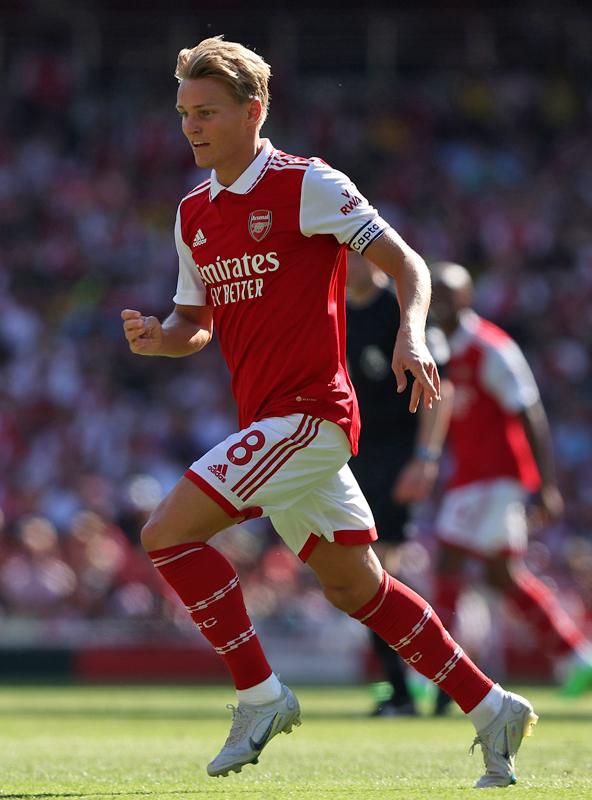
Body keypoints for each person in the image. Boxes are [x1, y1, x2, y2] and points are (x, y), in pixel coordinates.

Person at [121, 36, 537, 788]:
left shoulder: (306, 183)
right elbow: (195, 323)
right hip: (270, 426)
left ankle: (260, 696)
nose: (191, 126)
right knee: (357, 589)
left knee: (166, 533)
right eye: (184, 112)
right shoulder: (193, 213)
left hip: (311, 417)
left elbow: (406, 263)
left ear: (254, 110)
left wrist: (412, 333)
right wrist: (160, 338)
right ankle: (492, 706)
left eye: (207, 111)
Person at [429, 261, 592, 712]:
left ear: (466, 299)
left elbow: (529, 410)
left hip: (495, 475)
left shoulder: (490, 347)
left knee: (448, 558)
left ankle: (434, 673)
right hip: (471, 475)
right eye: (433, 293)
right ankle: (576, 655)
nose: (438, 302)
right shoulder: (439, 347)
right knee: (501, 575)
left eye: (447, 294)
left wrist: (545, 484)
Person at [347, 253, 454, 716]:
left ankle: (418, 682)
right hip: (358, 454)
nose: (346, 263)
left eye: (353, 253)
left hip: (399, 453)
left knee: (377, 568)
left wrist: (425, 458)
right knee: (366, 571)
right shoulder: (333, 311)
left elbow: (442, 388)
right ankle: (418, 682)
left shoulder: (402, 309)